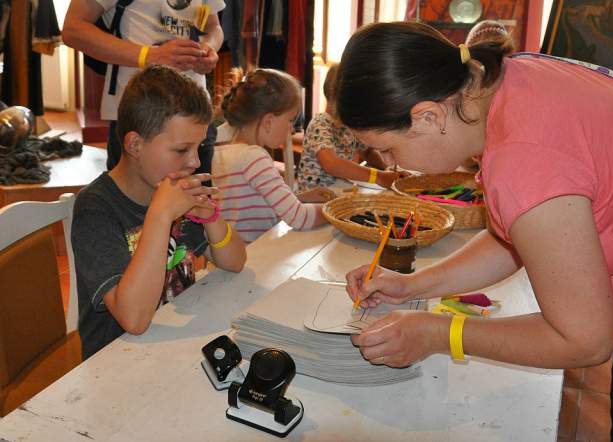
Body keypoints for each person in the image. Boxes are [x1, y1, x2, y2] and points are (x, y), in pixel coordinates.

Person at [338, 22, 613, 441]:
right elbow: (519, 235)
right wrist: (412, 285)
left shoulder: (523, 158)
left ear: (428, 116)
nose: (391, 166)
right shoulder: (508, 77)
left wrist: (440, 334)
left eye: (387, 149)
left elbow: (585, 340)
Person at [72, 66, 246, 359]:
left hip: (171, 348)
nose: (194, 161)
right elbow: (134, 320)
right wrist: (161, 215)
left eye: (199, 147)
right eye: (181, 150)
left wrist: (211, 218)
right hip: (116, 359)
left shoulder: (174, 189)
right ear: (135, 144)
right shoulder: (95, 208)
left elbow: (235, 262)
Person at [62, 0, 225, 183]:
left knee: (197, 197)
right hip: (139, 116)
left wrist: (208, 49)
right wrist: (149, 55)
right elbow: (72, 30)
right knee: (131, 199)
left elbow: (213, 26)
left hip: (196, 115)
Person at [213, 68, 335, 243]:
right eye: (290, 120)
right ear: (269, 121)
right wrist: (335, 210)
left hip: (233, 253)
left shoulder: (220, 153)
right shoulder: (254, 157)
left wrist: (298, 198)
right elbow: (299, 218)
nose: (291, 129)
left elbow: (256, 205)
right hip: (257, 252)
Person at [296, 64, 401, 191]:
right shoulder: (320, 124)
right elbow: (331, 164)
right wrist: (378, 177)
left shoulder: (347, 126)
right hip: (314, 197)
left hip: (339, 191)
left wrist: (387, 170)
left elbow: (367, 152)